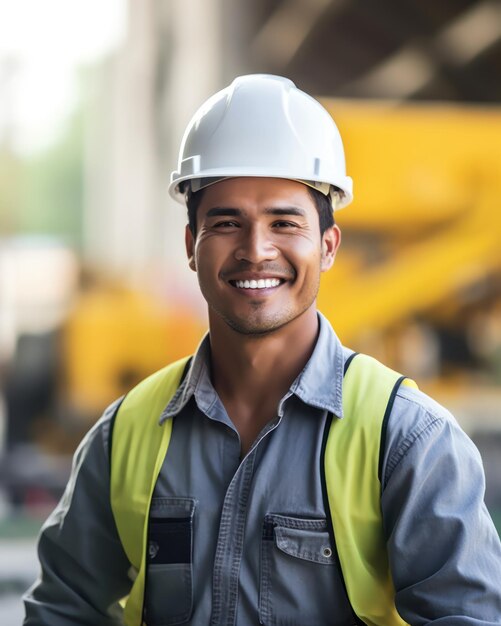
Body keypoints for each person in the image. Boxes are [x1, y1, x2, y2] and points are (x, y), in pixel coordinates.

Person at [24, 74, 501, 626]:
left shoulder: (409, 441)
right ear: (190, 245)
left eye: (284, 222)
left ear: (327, 246)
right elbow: (63, 611)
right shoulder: (122, 436)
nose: (256, 250)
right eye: (227, 223)